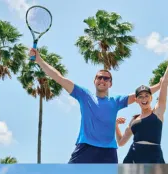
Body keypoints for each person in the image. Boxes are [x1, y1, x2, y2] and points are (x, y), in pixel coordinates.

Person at [29, 48, 161, 164]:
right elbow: (59, 78)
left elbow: (142, 93)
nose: (102, 80)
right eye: (99, 77)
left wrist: (162, 83)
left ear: (110, 84)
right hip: (85, 148)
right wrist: (39, 60)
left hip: (108, 152)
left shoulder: (116, 101)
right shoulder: (84, 95)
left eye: (106, 78)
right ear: (95, 81)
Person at [115, 50, 168, 163]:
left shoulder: (158, 112)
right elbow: (121, 142)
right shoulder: (134, 120)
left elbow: (164, 83)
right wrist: (115, 125)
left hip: (153, 155)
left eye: (146, 96)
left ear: (151, 98)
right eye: (140, 96)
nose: (144, 99)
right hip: (133, 156)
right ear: (136, 100)